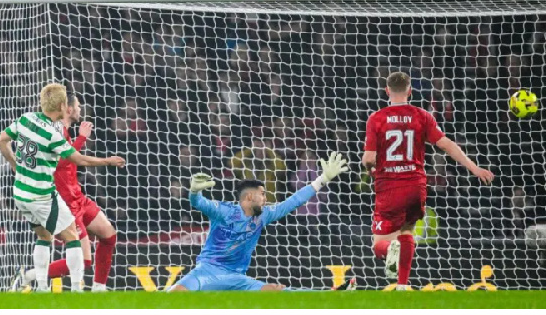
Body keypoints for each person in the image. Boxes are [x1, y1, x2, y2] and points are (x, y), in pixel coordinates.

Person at [361, 72, 494, 290]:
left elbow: (368, 158)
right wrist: (474, 168)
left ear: (387, 91)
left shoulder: (377, 118)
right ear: (410, 91)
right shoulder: (422, 115)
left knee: (379, 245)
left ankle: (389, 251)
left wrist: (370, 168)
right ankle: (403, 286)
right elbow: (447, 144)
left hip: (389, 186)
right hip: (416, 186)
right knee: (407, 231)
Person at [0, 83, 125, 292]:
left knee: (108, 234)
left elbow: (2, 140)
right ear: (68, 108)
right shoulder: (55, 131)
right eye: (79, 106)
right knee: (81, 257)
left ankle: (99, 288)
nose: (82, 110)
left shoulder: (38, 123)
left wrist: (15, 164)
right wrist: (90, 145)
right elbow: (66, 161)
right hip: (61, 199)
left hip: (77, 196)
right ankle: (31, 277)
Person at [168, 152, 349, 291]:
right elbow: (200, 203)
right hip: (207, 271)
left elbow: (293, 202)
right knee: (171, 299)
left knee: (278, 292)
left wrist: (322, 179)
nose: (265, 198)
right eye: (262, 194)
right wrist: (194, 192)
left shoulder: (264, 215)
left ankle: (333, 293)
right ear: (249, 196)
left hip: (236, 278)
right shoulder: (224, 211)